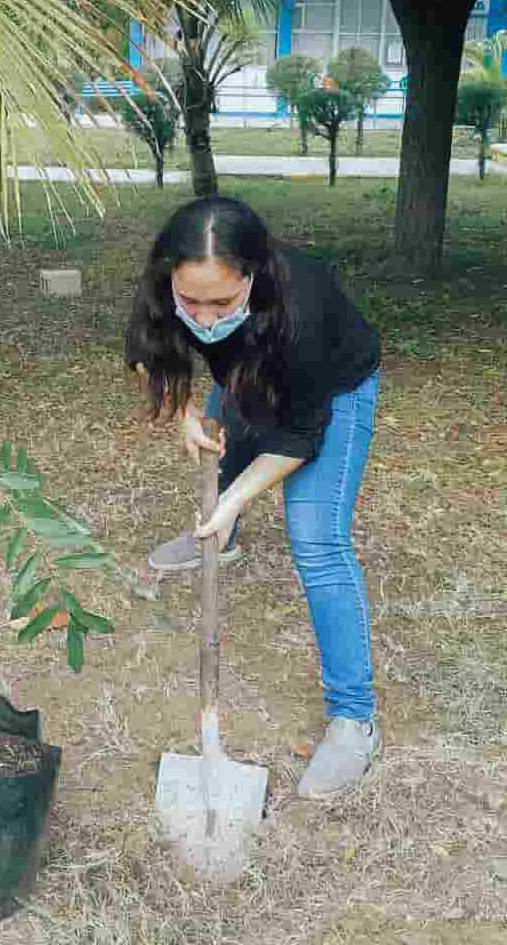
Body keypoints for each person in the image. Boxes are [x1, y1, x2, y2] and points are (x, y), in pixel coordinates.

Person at [125, 195, 381, 799]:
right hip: (246, 370)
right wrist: (185, 413)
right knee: (224, 442)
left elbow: (297, 437)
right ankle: (221, 538)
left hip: (331, 388)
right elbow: (146, 353)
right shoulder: (166, 289)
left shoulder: (303, 309)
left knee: (317, 540)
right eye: (192, 301)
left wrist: (236, 497)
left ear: (255, 277)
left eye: (222, 302)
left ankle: (354, 719)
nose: (206, 317)